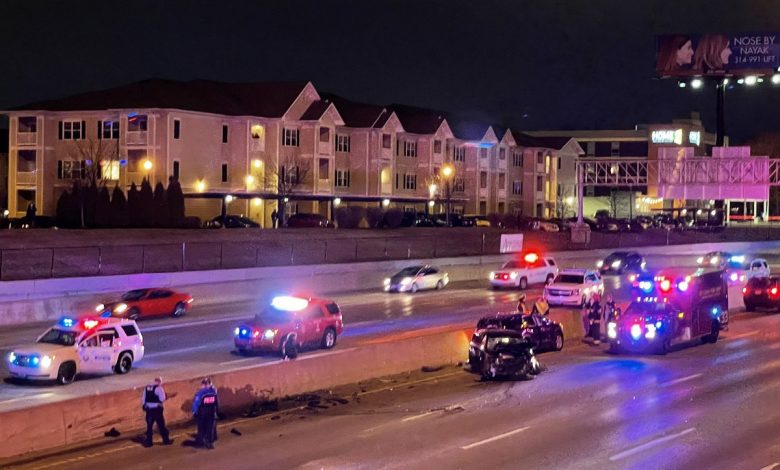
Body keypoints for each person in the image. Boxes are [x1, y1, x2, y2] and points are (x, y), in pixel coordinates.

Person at [141, 377, 171, 447]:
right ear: (159, 382)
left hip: (149, 411)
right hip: (157, 410)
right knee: (161, 426)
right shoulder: (159, 388)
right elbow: (162, 398)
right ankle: (166, 441)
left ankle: (149, 442)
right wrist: (166, 396)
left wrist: (145, 405)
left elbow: (143, 399)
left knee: (149, 427)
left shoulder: (147, 388)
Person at [192, 377, 219, 449]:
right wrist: (217, 411)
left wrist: (194, 412)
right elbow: (216, 403)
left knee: (202, 428)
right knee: (210, 428)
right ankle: (209, 442)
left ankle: (201, 441)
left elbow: (196, 403)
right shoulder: (213, 392)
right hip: (211, 413)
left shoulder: (201, 393)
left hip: (202, 413)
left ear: (203, 385)